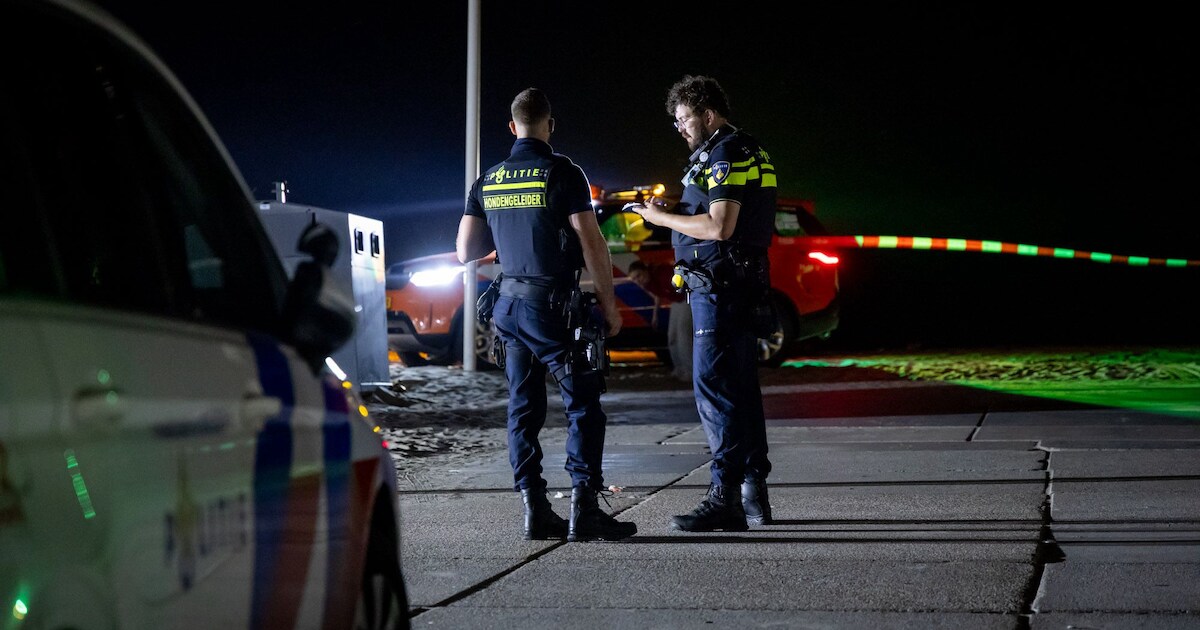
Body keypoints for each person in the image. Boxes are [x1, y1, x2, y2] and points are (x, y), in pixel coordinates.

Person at [456, 87, 637, 542]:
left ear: (512, 127)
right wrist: (610, 305)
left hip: (507, 309)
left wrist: (508, 238)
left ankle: (535, 510)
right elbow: (591, 240)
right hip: (552, 308)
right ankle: (584, 510)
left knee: (523, 409)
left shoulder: (489, 179)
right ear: (550, 125)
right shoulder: (563, 172)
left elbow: (464, 251)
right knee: (582, 405)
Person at [625, 75, 775, 531]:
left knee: (715, 388)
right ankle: (753, 497)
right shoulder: (750, 149)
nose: (681, 128)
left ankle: (724, 497)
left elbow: (719, 227)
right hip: (738, 285)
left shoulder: (725, 153)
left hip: (721, 288)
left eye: (685, 119)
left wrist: (656, 216)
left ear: (708, 114)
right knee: (742, 391)